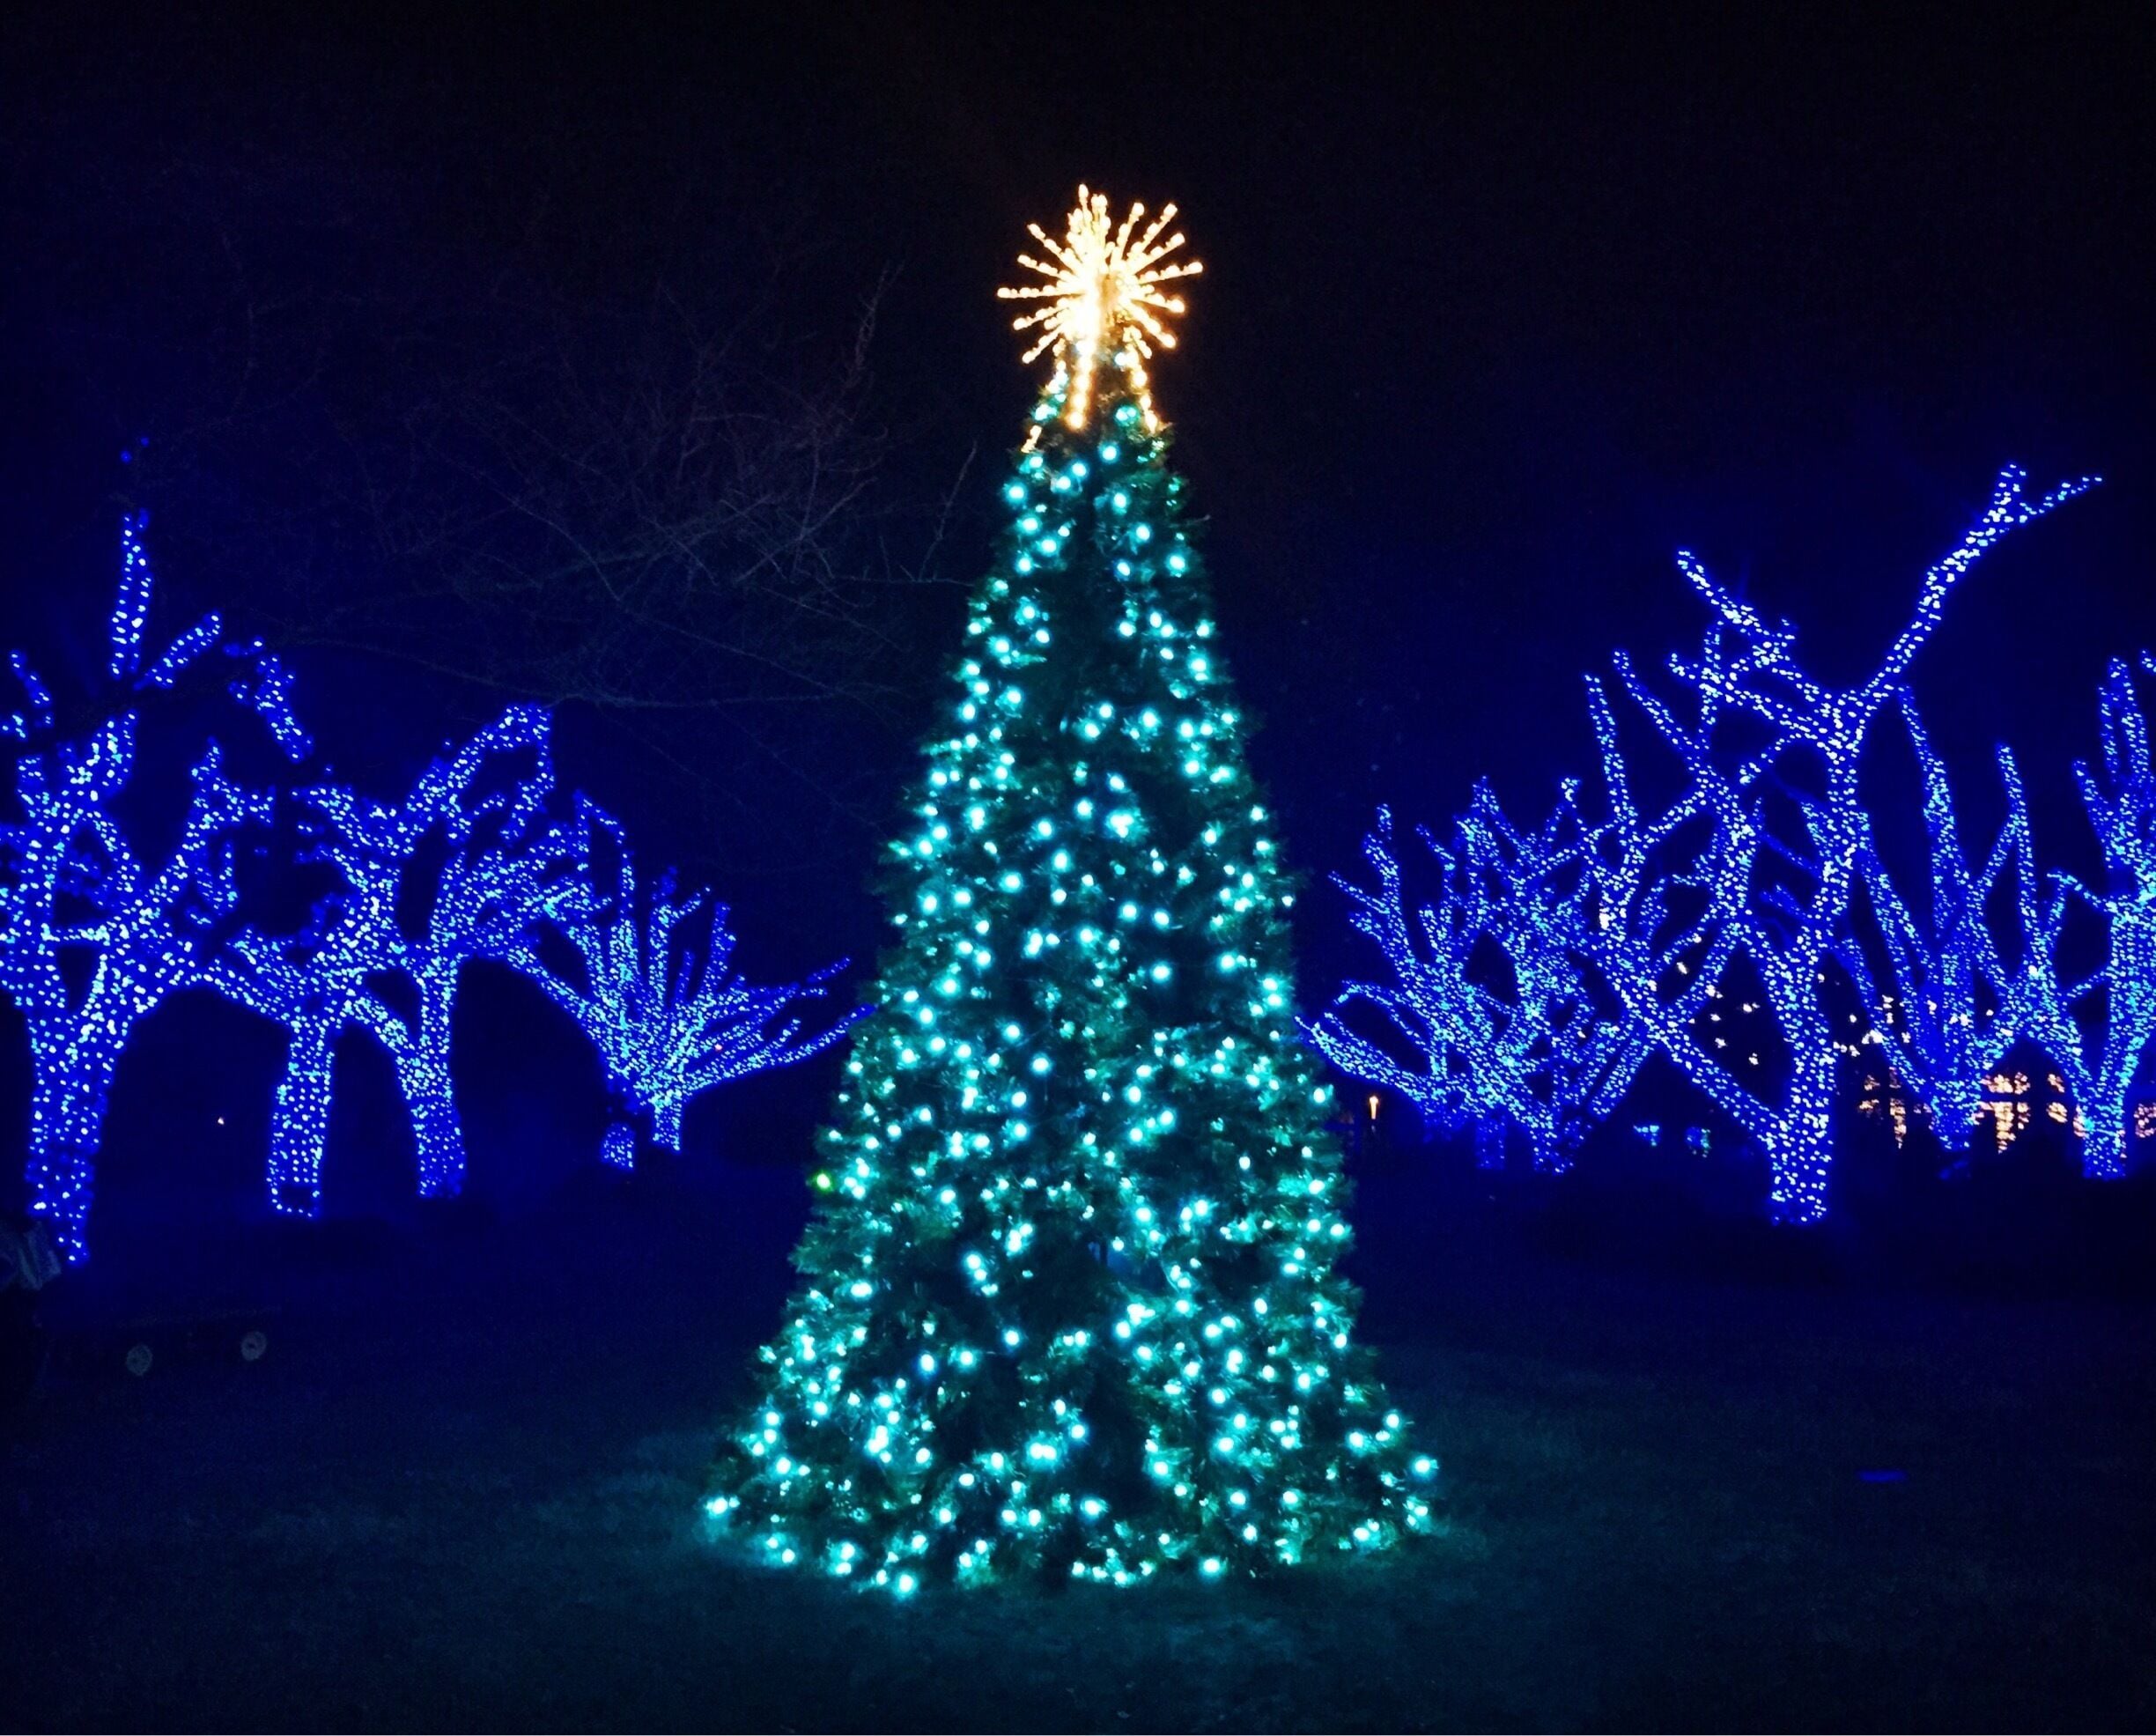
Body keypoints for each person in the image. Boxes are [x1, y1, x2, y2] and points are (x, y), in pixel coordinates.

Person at [0, 1208, 63, 1409]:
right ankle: (24, 1394)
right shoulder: (24, 1226)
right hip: (26, 1296)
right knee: (23, 1347)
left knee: (21, 1347)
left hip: (20, 1298)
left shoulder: (19, 1227)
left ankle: (23, 1395)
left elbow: (12, 1269)